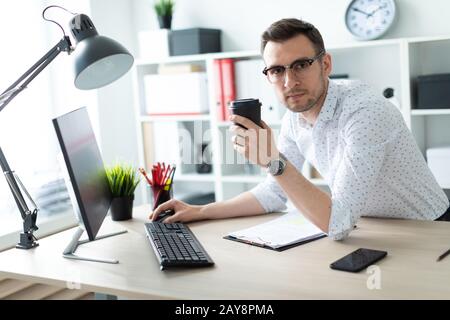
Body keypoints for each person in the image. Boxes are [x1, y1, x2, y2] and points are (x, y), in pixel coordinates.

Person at [150, 18, 450, 240]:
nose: (289, 82)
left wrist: (272, 161)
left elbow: (338, 223)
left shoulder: (365, 111)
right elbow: (273, 194)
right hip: (375, 228)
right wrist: (200, 211)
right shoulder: (296, 115)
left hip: (430, 232)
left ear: (326, 64)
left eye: (301, 65)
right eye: (277, 70)